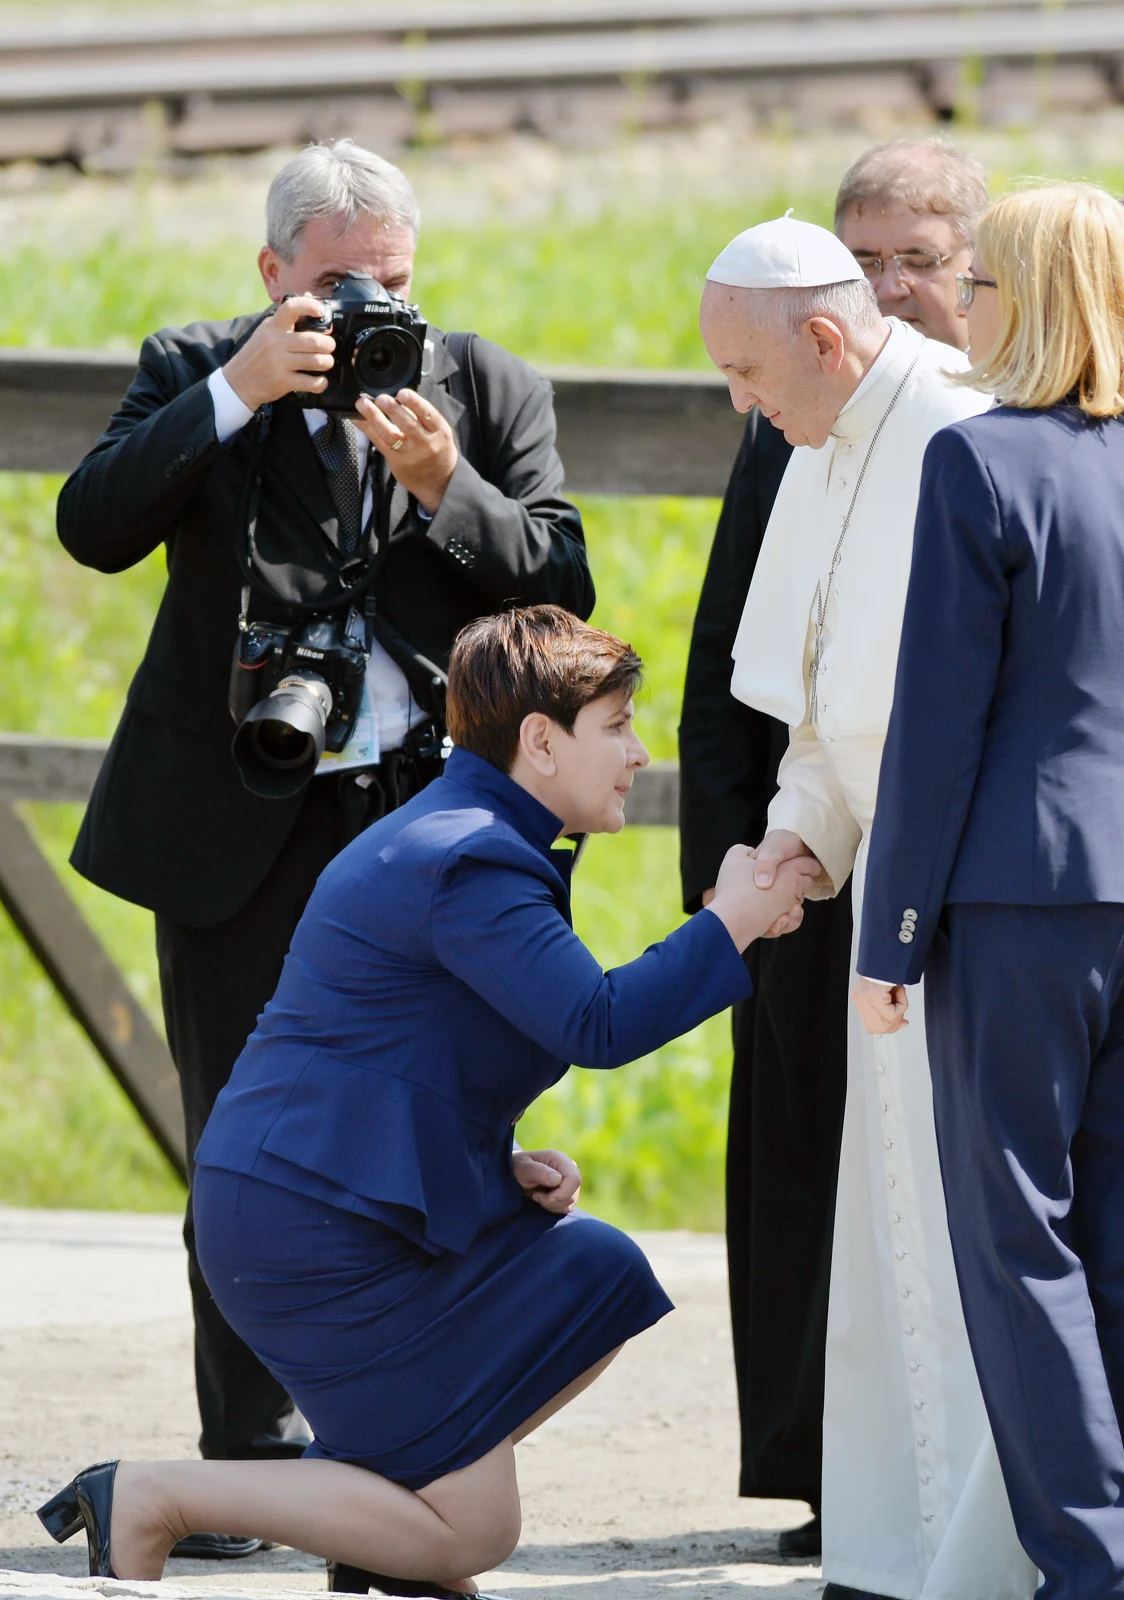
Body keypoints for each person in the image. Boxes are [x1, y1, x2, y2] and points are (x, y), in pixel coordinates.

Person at [37, 605, 820, 1589]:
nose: (637, 751)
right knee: (471, 1531)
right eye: (615, 725)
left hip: (332, 1200)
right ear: (540, 741)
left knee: (594, 1273)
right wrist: (734, 917)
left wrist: (492, 1160)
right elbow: (599, 1022)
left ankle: (370, 1526)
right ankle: (155, 1494)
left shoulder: (478, 832)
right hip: (304, 1228)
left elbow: (404, 1045)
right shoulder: (470, 855)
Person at [55, 139, 592, 1545]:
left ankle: (411, 1444)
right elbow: (93, 527)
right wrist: (238, 392)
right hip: (240, 828)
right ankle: (243, 1455)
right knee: (243, 1145)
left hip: (419, 830)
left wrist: (445, 490)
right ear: (273, 273)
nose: (368, 311)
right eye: (340, 282)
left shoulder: (482, 383)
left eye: (396, 280)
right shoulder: (196, 363)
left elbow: (563, 585)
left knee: (444, 1137)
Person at [855, 184, 1124, 1600]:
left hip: (1028, 904)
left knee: (1017, 1250)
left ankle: (1096, 1577)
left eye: (976, 285)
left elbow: (938, 726)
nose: (961, 308)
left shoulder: (980, 464)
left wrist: (888, 933)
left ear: (1023, 300)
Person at [700, 213, 1035, 1600]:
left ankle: (986, 1547)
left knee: (968, 1241)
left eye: (748, 373)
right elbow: (825, 712)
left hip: (972, 894)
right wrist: (790, 850)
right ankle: (898, 1544)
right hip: (879, 876)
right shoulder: (819, 441)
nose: (740, 403)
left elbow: (959, 711)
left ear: (826, 341)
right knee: (890, 1232)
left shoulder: (960, 436)